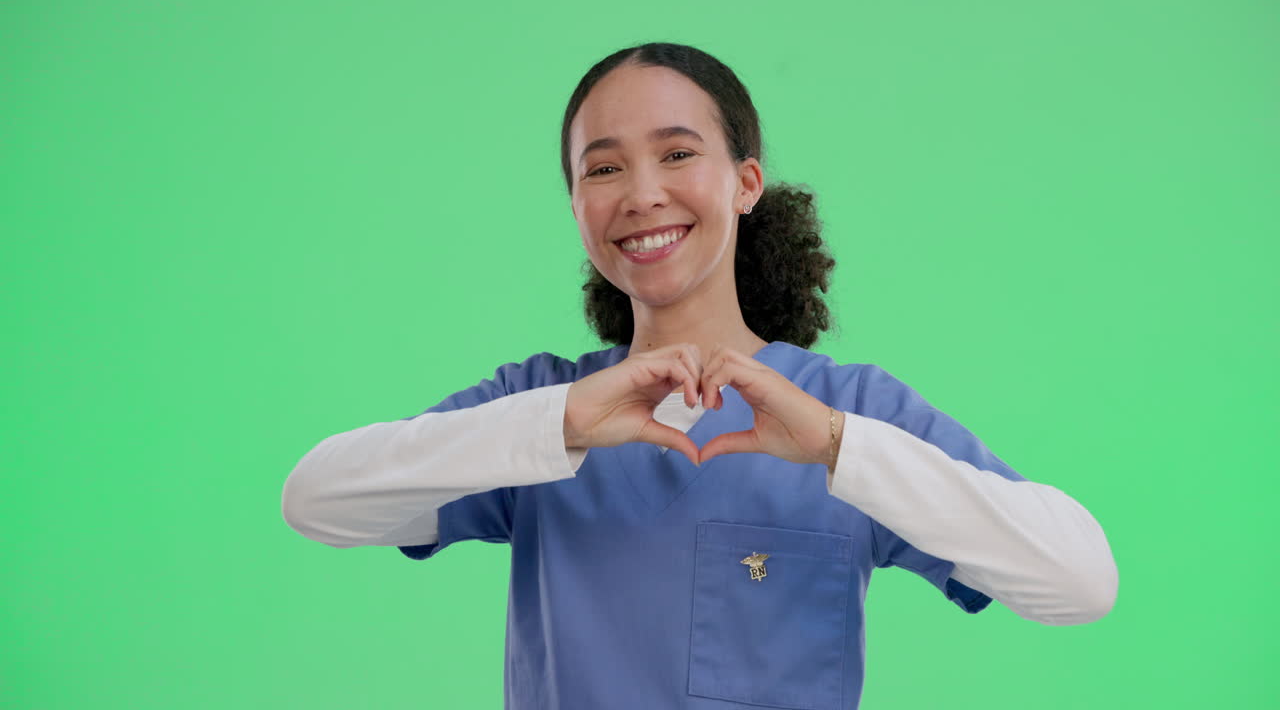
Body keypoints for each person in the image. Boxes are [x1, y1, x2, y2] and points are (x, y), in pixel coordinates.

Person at [281, 42, 1118, 710]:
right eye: (602, 169)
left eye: (677, 153)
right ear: (576, 206)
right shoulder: (536, 410)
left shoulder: (851, 412)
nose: (641, 195)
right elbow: (317, 500)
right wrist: (560, 425)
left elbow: (1080, 582)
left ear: (746, 183)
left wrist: (836, 448)